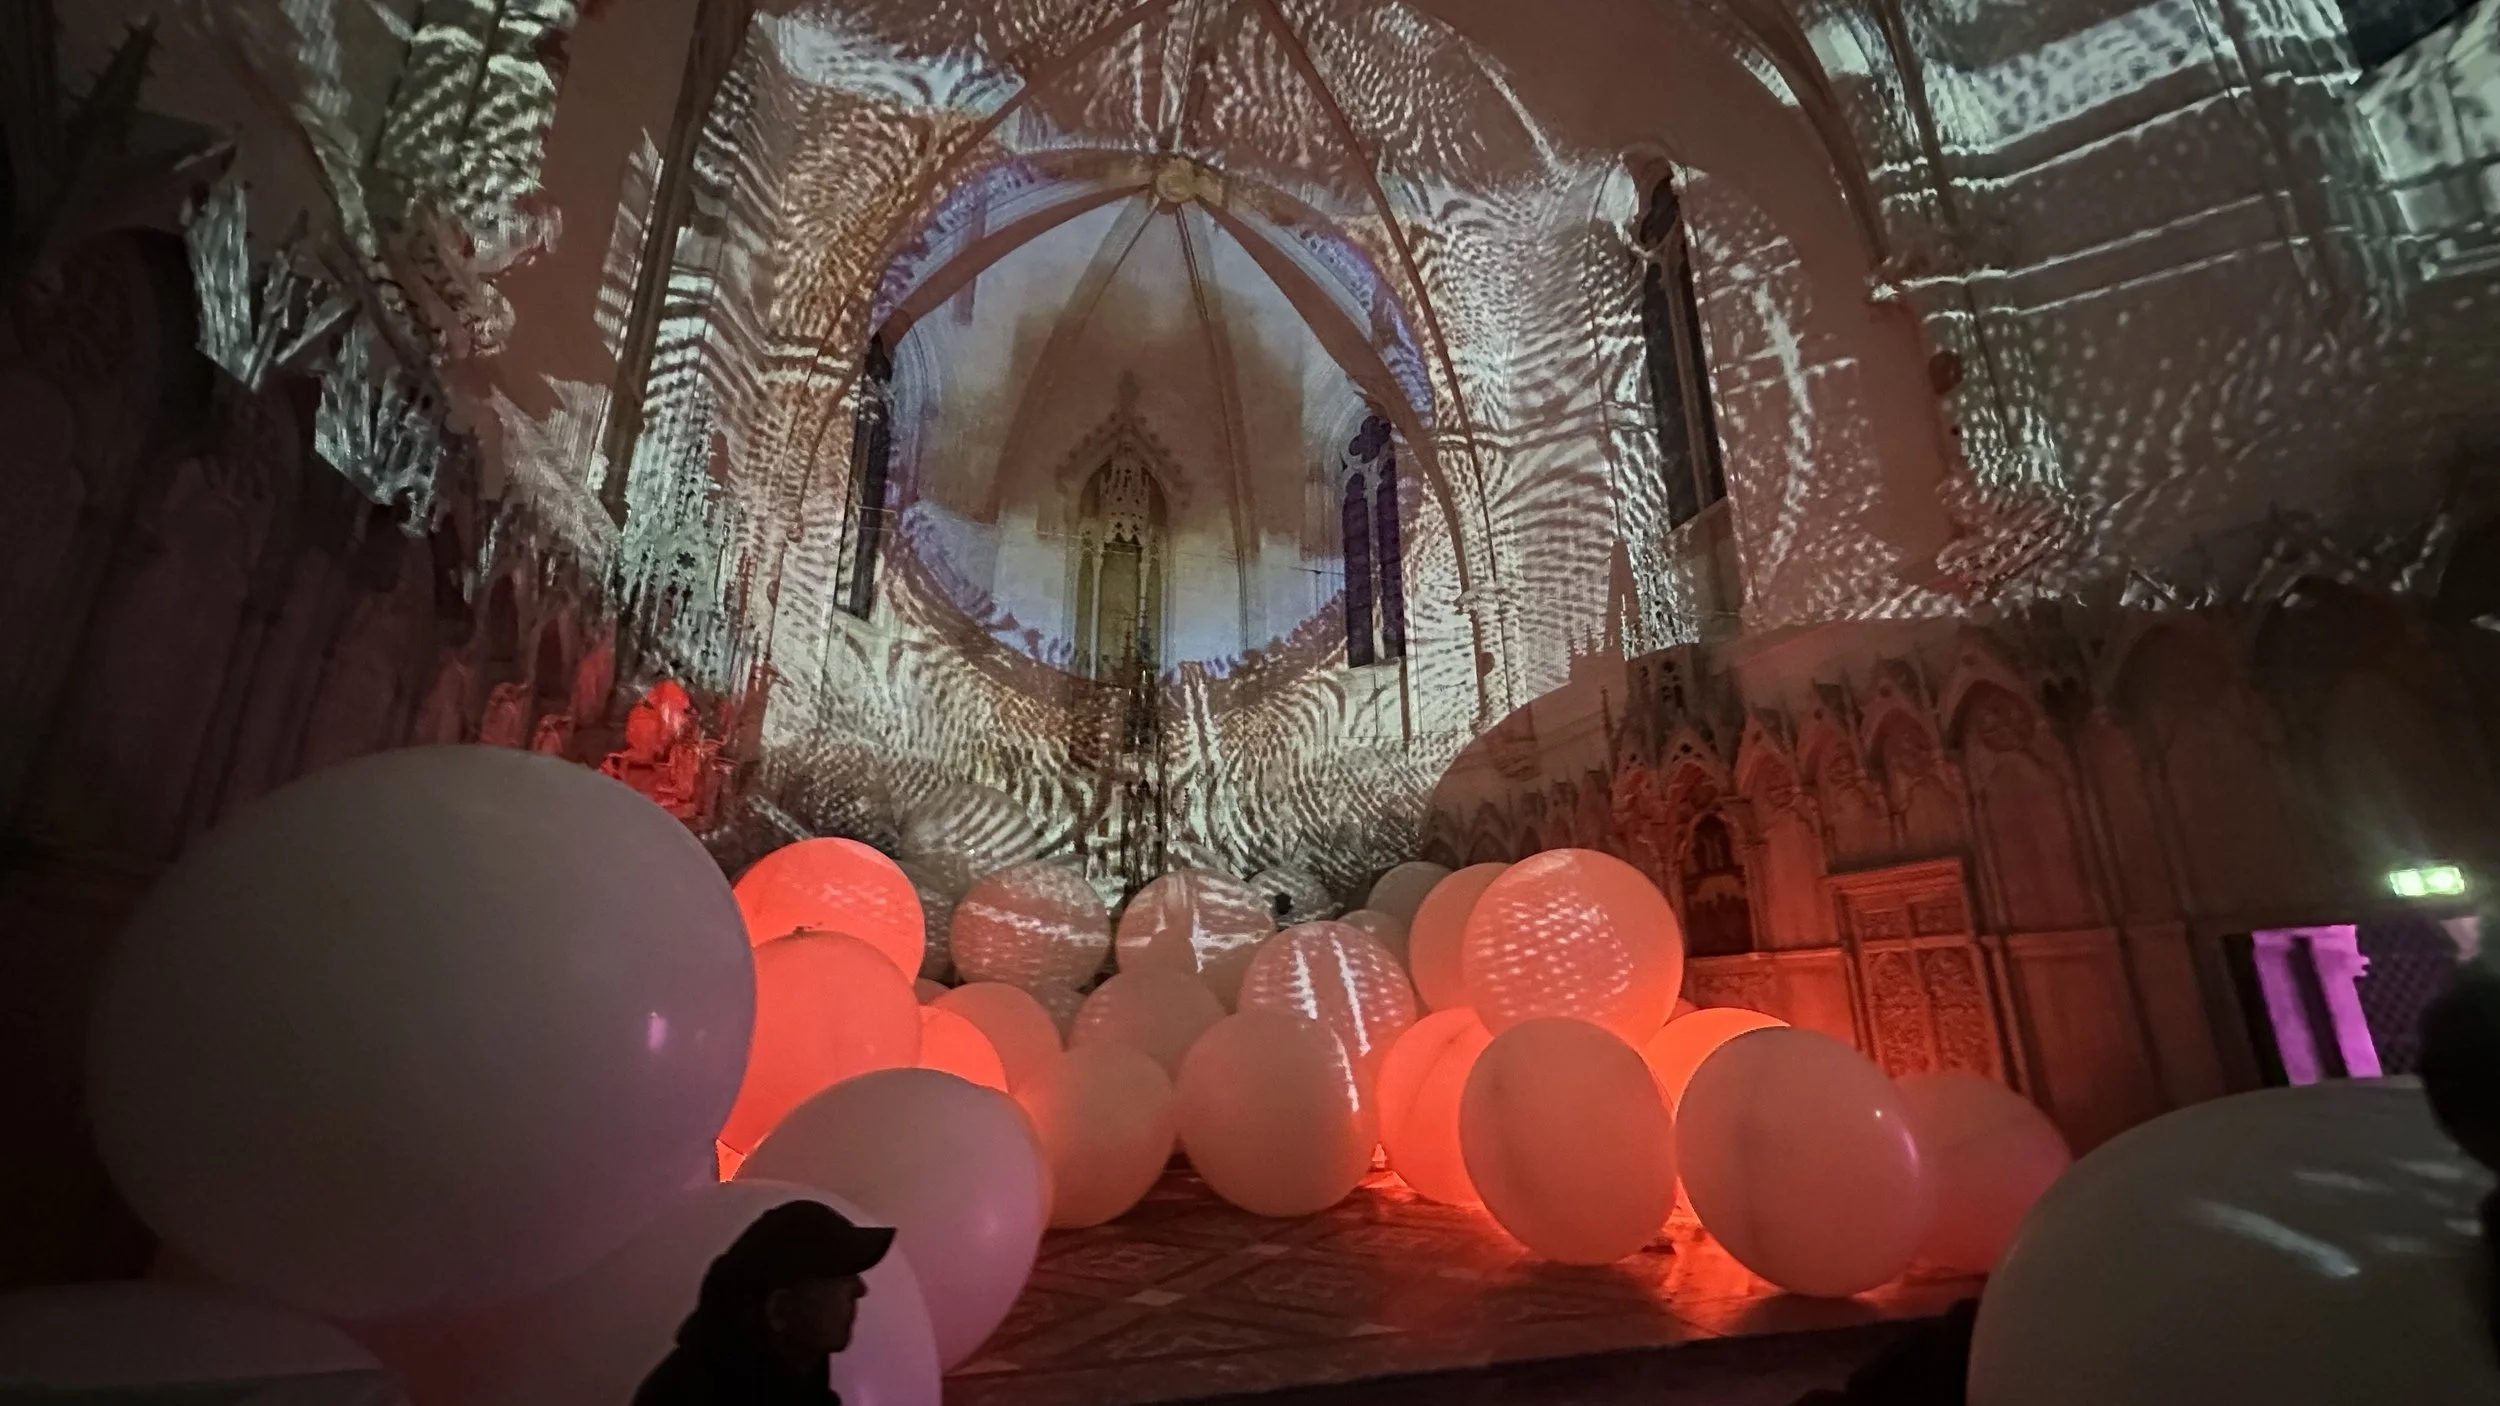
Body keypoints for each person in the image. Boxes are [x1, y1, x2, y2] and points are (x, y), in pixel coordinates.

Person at [633, 1201, 893, 1406]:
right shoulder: (683, 1397)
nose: (860, 1290)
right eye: (841, 1276)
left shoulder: (800, 1385)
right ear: (778, 1309)